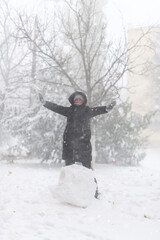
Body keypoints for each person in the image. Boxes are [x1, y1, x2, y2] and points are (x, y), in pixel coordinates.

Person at [39, 91, 116, 197]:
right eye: (76, 99)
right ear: (73, 101)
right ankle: (68, 192)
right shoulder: (69, 111)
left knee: (88, 171)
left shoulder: (87, 111)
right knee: (69, 170)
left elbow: (97, 110)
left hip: (84, 146)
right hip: (69, 145)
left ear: (83, 100)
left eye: (80, 99)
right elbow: (57, 108)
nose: (78, 101)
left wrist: (106, 109)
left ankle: (94, 192)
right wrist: (45, 103)